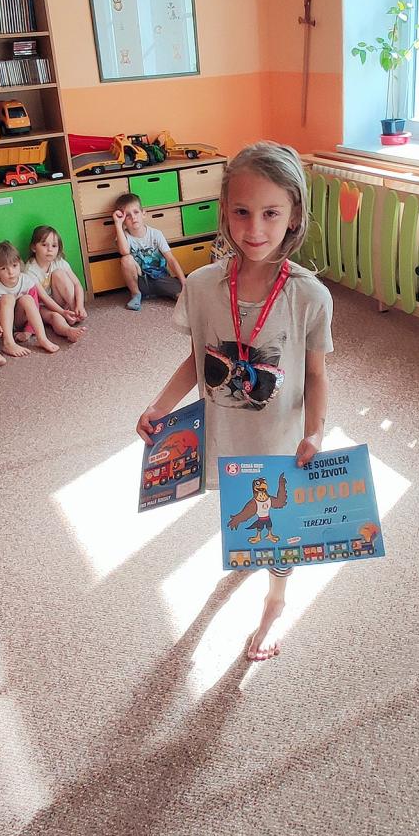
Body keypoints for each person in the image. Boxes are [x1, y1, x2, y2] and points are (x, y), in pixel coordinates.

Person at [136, 142, 333, 662]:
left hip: (279, 441)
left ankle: (276, 599)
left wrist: (315, 432)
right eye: (242, 211)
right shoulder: (201, 287)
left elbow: (316, 375)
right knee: (244, 513)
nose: (254, 228)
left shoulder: (310, 296)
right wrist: (159, 407)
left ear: (294, 215)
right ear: (224, 210)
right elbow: (197, 360)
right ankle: (254, 556)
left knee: (279, 527)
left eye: (271, 213)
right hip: (224, 438)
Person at [0, 241, 63, 357]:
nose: (11, 272)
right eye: (3, 268)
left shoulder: (27, 281)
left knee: (27, 299)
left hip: (18, 321)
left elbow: (35, 307)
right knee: (8, 298)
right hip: (0, 325)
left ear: (20, 263)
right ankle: (8, 343)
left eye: (14, 266)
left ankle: (42, 338)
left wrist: (28, 331)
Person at [111, 193, 186, 311]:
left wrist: (183, 281)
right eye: (128, 215)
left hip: (160, 278)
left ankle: (167, 292)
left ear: (143, 213)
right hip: (140, 280)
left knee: (184, 296)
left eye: (136, 212)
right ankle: (136, 294)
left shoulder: (156, 234)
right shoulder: (123, 236)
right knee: (126, 259)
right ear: (123, 219)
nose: (133, 218)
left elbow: (171, 259)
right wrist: (118, 224)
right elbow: (124, 251)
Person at [24, 225, 87, 343]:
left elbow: (77, 284)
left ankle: (74, 311)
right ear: (34, 247)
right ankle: (69, 331)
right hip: (42, 306)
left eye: (54, 246)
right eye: (44, 245)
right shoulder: (30, 270)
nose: (50, 249)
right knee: (55, 317)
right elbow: (44, 297)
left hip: (60, 301)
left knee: (59, 274)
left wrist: (80, 305)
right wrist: (62, 312)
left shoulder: (59, 262)